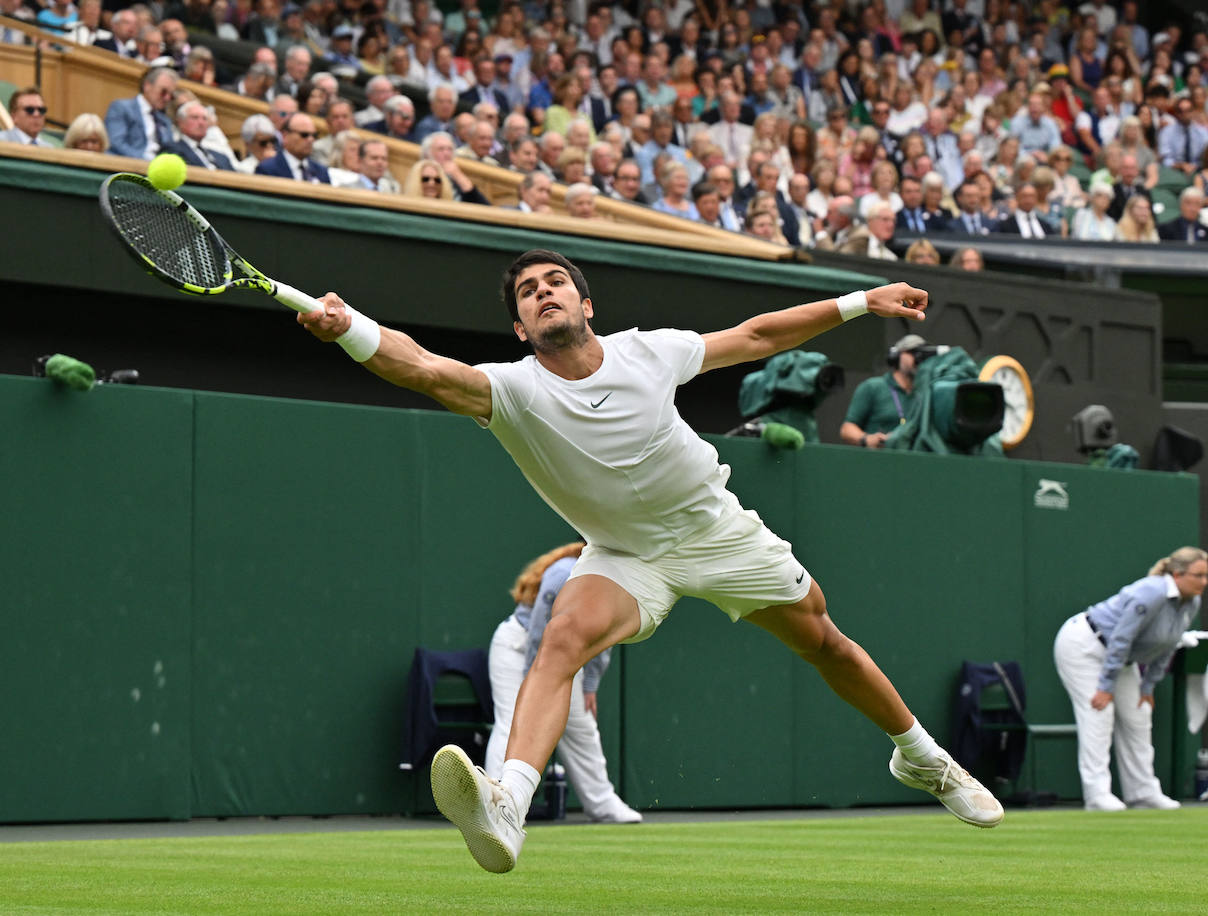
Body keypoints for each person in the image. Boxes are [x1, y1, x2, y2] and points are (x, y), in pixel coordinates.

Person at [296, 249, 1003, 873]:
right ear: (520, 328)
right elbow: (420, 367)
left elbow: (756, 336)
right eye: (528, 293)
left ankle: (922, 756)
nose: (543, 293)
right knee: (561, 639)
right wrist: (350, 328)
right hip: (626, 556)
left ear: (585, 304)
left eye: (555, 283)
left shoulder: (649, 352)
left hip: (717, 533)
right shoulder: (511, 391)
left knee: (826, 642)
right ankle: (508, 801)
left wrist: (860, 303)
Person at [485, 542, 641, 823]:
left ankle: (603, 804)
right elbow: (538, 632)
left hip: (565, 656)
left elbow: (602, 639)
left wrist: (590, 685)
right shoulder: (562, 574)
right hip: (517, 649)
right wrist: (534, 687)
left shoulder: (613, 581)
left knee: (582, 728)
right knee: (513, 721)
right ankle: (493, 804)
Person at [1052, 547, 1208, 811]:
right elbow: (1121, 638)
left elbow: (1169, 645)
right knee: (1099, 714)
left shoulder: (1192, 602)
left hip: (1120, 659)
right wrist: (1105, 687)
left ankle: (1143, 792)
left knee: (1139, 715)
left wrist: (1148, 686)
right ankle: (1097, 795)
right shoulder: (1151, 592)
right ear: (1178, 574)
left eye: (1206, 576)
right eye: (1198, 575)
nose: (1204, 582)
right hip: (1084, 646)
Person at [839, 333, 926, 449]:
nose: (918, 358)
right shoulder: (873, 387)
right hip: (878, 461)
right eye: (913, 352)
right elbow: (847, 429)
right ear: (896, 356)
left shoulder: (925, 393)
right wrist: (867, 439)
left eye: (923, 354)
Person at [104, 67, 178, 160]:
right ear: (147, 86)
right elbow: (116, 143)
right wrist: (146, 162)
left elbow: (170, 151)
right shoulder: (121, 108)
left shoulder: (165, 121)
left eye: (171, 95)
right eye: (163, 92)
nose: (167, 98)